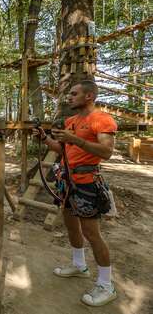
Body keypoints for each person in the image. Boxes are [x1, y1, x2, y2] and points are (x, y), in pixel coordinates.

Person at [34, 80, 118, 307]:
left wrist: (75, 139)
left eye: (74, 94)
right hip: (68, 182)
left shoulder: (101, 119)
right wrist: (45, 138)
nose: (68, 97)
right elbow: (63, 150)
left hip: (87, 183)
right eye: (69, 94)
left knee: (92, 233)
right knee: (71, 225)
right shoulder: (72, 120)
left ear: (89, 96)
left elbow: (107, 152)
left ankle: (106, 284)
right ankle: (79, 265)